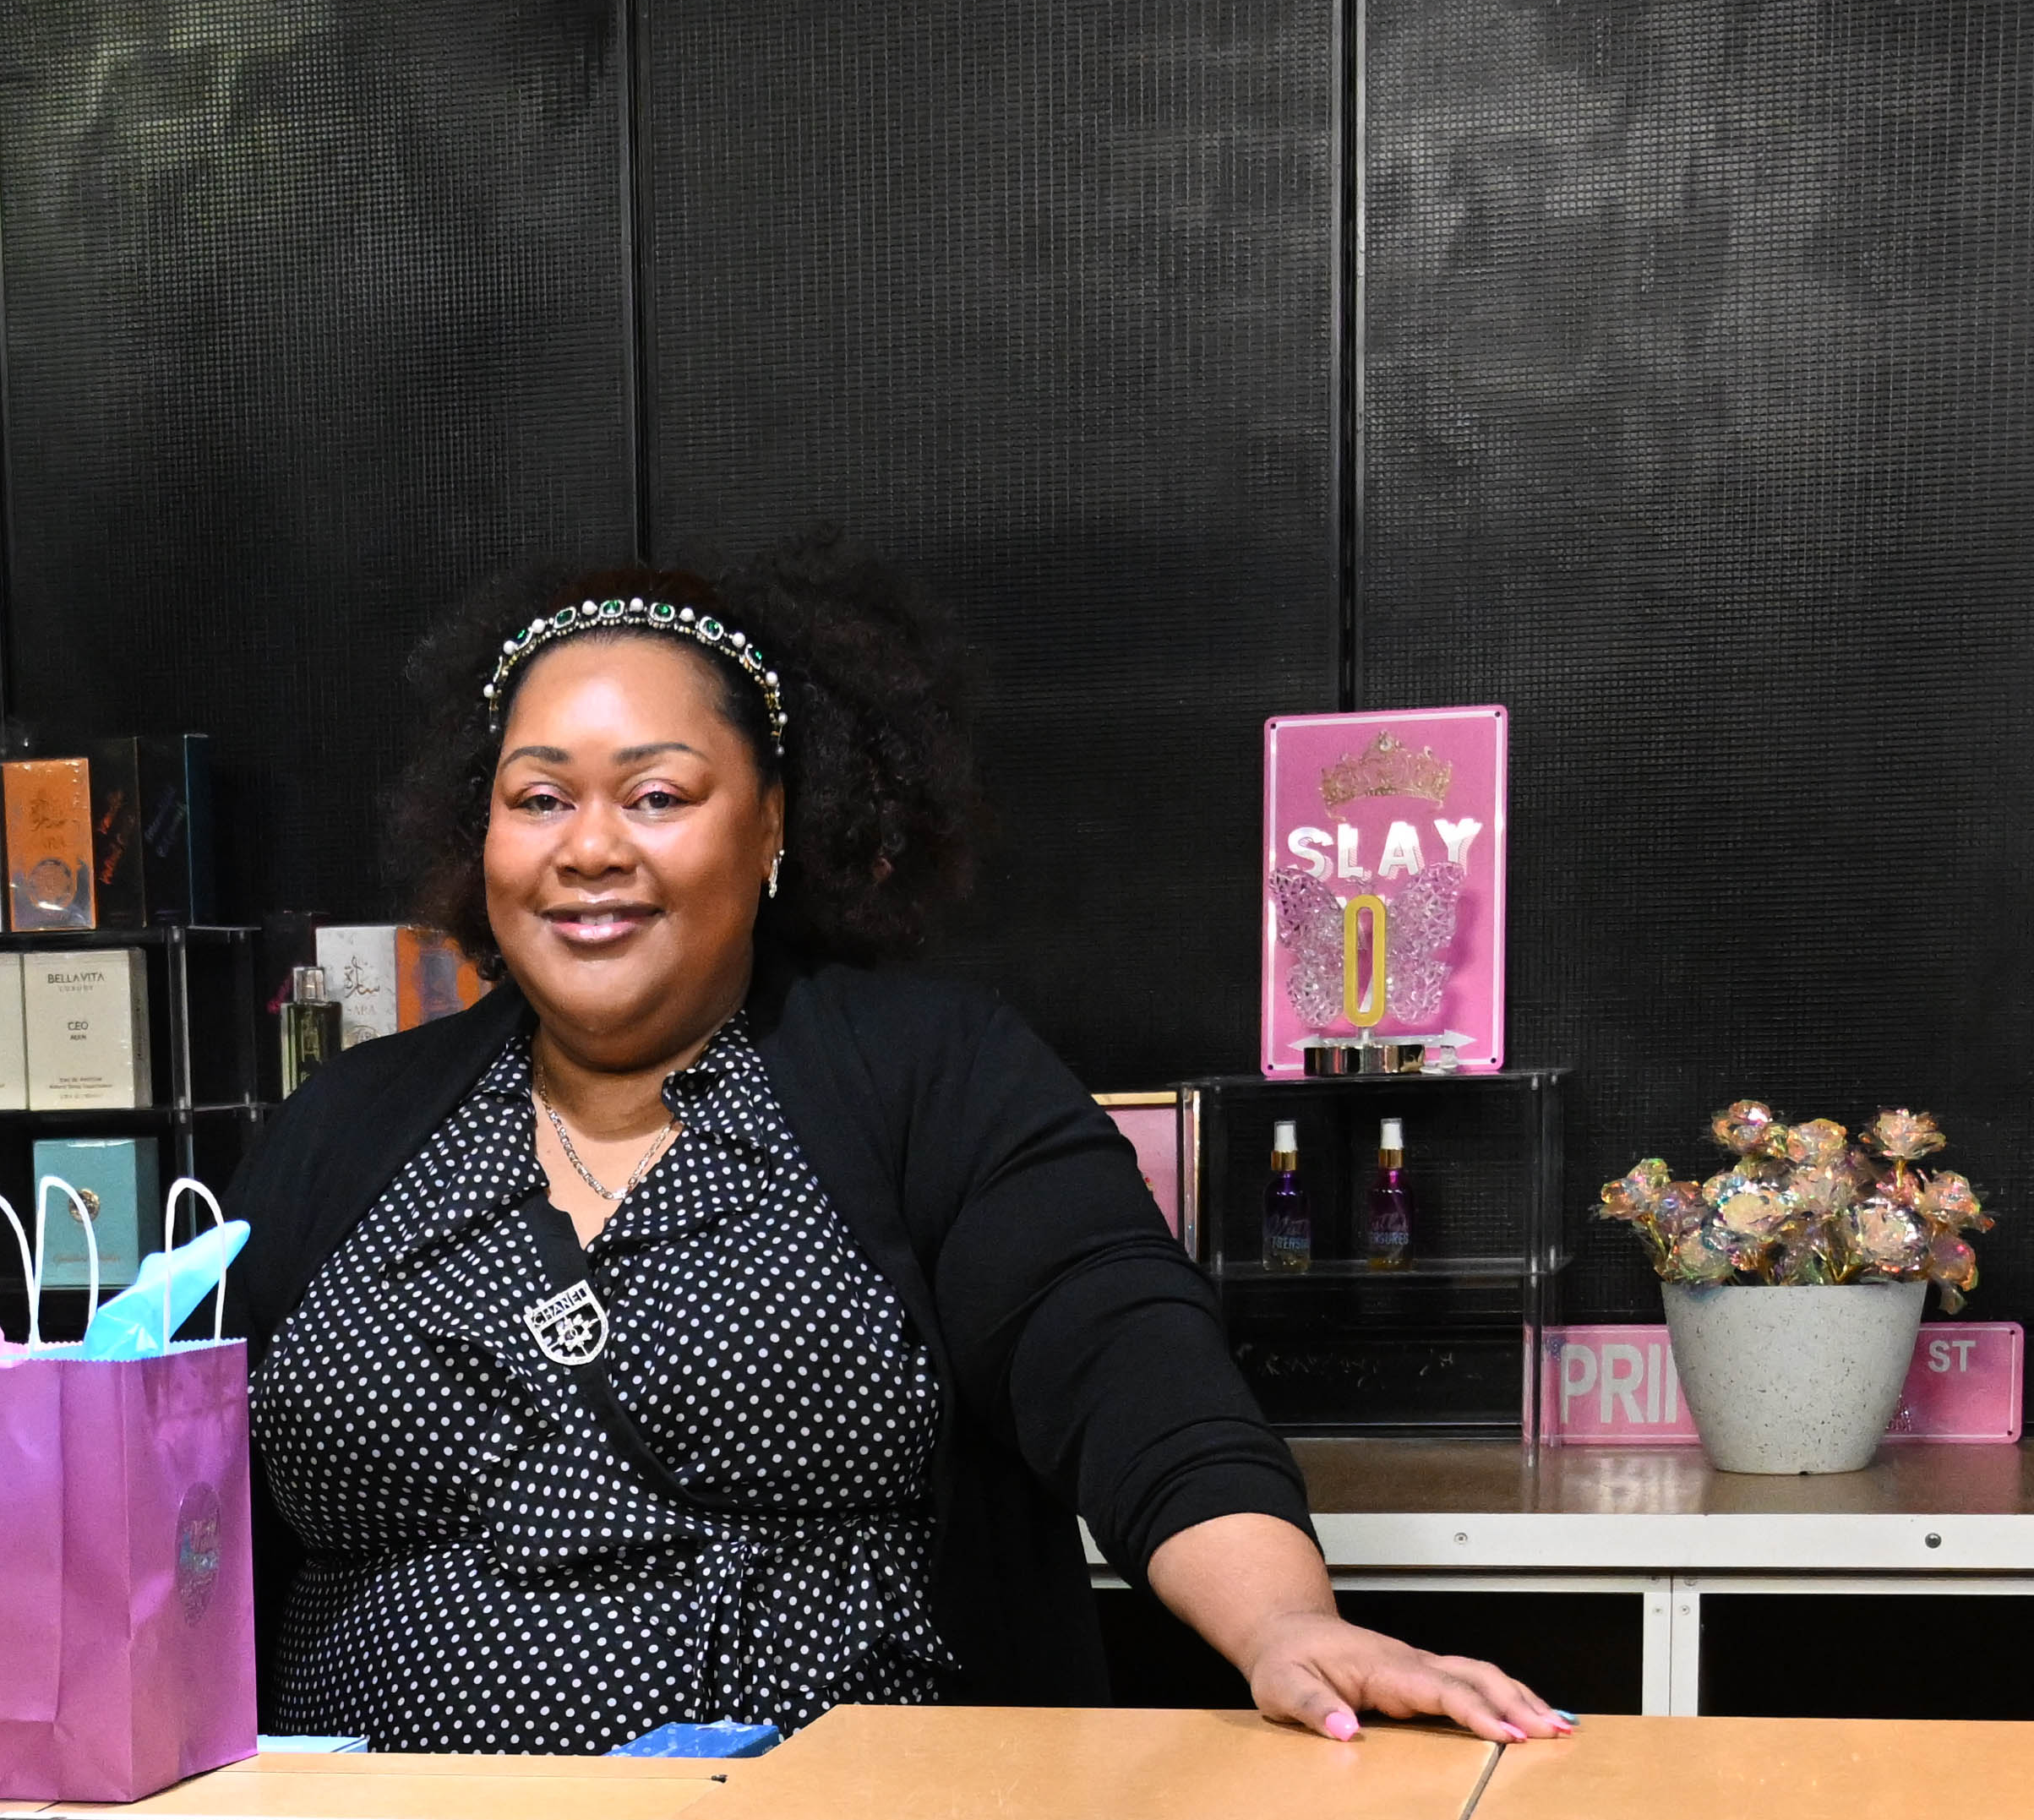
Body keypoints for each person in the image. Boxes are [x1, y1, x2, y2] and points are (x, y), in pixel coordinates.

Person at [229, 550, 1553, 1756]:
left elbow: (1124, 1359)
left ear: (773, 827)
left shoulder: (928, 1078)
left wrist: (1280, 1625)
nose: (589, 849)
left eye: (657, 794)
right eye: (539, 799)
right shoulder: (346, 1129)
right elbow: (184, 1499)